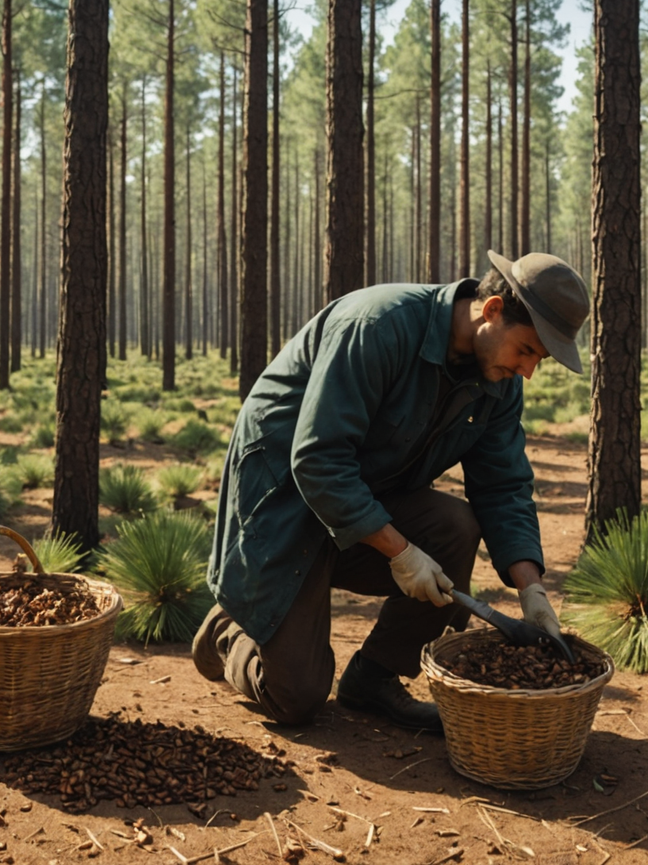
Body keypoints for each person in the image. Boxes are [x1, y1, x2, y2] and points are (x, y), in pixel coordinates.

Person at [192, 251, 590, 731]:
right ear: (492, 311)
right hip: (284, 501)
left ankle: (374, 678)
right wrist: (401, 553)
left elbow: (503, 484)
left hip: (364, 500)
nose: (527, 371)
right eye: (527, 351)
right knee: (295, 699)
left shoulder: (499, 382)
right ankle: (230, 631)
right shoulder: (379, 324)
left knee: (455, 529)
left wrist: (532, 590)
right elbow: (318, 460)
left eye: (538, 361)